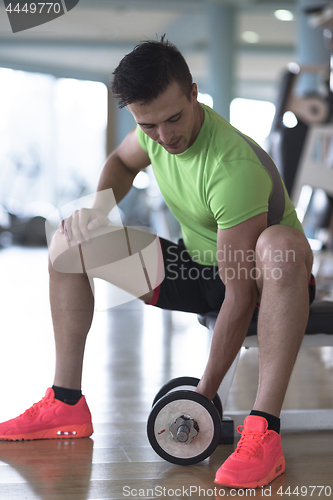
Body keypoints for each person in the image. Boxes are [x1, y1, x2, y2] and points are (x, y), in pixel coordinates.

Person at [0, 37, 315, 489]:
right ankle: (65, 402)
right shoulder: (153, 131)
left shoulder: (231, 166)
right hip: (197, 268)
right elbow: (121, 163)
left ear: (193, 94)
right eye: (149, 126)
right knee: (69, 244)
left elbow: (240, 294)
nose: (165, 137)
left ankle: (264, 431)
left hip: (266, 284)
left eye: (174, 119)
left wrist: (203, 396)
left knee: (280, 244)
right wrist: (96, 211)